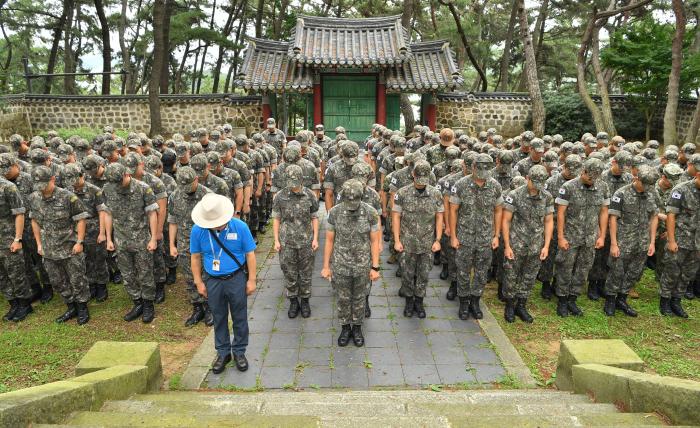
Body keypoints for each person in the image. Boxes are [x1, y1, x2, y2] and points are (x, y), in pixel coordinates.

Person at [190, 193, 257, 374]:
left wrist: (251, 280)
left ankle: (239, 351)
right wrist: (198, 282)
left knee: (240, 317)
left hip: (236, 278)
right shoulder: (198, 230)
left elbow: (250, 254)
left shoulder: (240, 227)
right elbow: (195, 257)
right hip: (213, 280)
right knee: (218, 317)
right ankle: (223, 352)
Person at [322, 180, 381, 347]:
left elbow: (374, 241)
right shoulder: (334, 213)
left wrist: (375, 267)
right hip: (341, 264)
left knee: (360, 297)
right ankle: (345, 327)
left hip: (362, 264)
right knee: (343, 298)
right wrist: (326, 266)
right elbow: (329, 240)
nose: (352, 205)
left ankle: (357, 327)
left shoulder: (370, 213)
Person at [29, 166, 91, 324]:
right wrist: (39, 244)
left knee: (77, 279)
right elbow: (35, 221)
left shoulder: (68, 197)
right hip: (49, 249)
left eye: (43, 184)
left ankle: (82, 307)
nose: (41, 189)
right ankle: (71, 306)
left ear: (52, 179)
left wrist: (79, 241)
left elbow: (81, 219)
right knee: (57, 281)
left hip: (69, 246)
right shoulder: (34, 198)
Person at [102, 162, 159, 323]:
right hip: (121, 240)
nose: (118, 187)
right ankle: (137, 302)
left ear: (127, 175)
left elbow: (152, 214)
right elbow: (108, 214)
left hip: (141, 239)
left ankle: (148, 304)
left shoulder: (143, 188)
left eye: (120, 183)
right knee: (127, 274)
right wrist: (109, 238)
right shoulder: (108, 188)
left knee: (145, 272)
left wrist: (154, 238)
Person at [450, 153, 503, 320]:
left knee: (481, 272)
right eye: (478, 169)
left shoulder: (495, 186)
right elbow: (453, 210)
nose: (481, 174)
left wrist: (496, 235)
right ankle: (464, 301)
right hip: (464, 236)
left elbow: (498, 210)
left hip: (485, 238)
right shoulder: (460, 185)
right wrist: (453, 235)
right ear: (472, 167)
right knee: (463, 271)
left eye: (485, 170)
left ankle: (475, 301)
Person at [554, 158, 609, 317]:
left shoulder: (602, 187)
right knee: (565, 267)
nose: (592, 181)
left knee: (583, 268)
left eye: (595, 178)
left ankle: (573, 298)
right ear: (583, 171)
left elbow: (604, 212)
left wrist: (602, 236)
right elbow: (561, 213)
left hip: (590, 237)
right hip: (571, 236)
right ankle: (562, 299)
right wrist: (561, 237)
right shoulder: (568, 187)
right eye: (590, 177)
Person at [501, 165, 554, 323]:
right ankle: (510, 304)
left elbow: (549, 221)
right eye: (534, 183)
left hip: (536, 245)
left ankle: (521, 304)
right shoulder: (515, 194)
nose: (537, 187)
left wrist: (546, 245)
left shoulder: (547, 196)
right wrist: (508, 245)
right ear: (527, 179)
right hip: (516, 243)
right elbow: (506, 221)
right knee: (511, 275)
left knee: (529, 276)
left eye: (540, 184)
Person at [605, 165, 659, 317]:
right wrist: (614, 243)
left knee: (634, 272)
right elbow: (613, 219)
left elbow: (654, 216)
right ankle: (610, 299)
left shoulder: (652, 193)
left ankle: (622, 299)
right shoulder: (621, 193)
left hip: (642, 242)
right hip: (624, 241)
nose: (647, 188)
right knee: (616, 271)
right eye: (645, 184)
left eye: (650, 185)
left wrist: (652, 242)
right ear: (636, 178)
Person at [392, 160, 444, 319]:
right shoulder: (402, 193)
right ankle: (409, 301)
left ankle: (419, 301)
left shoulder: (435, 193)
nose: (421, 183)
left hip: (427, 242)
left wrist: (438, 239)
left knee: (424, 274)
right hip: (407, 242)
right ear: (413, 174)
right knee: (407, 274)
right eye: (418, 178)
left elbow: (439, 217)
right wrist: (396, 240)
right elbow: (396, 217)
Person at [271, 164, 319, 319]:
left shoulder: (310, 195)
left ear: (301, 180)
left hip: (306, 241)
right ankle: (293, 301)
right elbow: (277, 219)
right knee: (289, 272)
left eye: (296, 183)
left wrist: (316, 238)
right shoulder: (280, 196)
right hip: (287, 241)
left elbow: (314, 218)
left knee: (306, 273)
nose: (293, 186)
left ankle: (305, 300)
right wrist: (276, 240)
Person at [659, 155, 699, 318]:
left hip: (697, 243)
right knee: (672, 270)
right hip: (680, 239)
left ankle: (677, 300)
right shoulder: (681, 190)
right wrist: (671, 239)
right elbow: (671, 216)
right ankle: (665, 300)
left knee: (687, 273)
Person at [0, 158, 31, 322]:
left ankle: (25, 304)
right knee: (2, 276)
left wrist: (17, 238)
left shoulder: (8, 187)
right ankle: (13, 304)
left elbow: (19, 213)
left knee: (16, 272)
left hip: (8, 237)